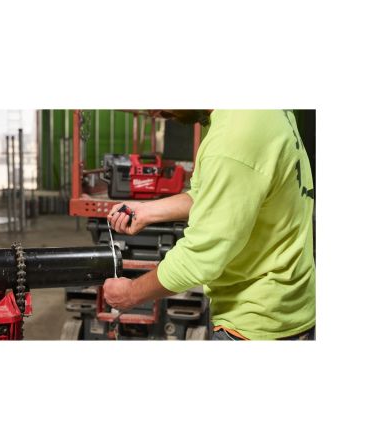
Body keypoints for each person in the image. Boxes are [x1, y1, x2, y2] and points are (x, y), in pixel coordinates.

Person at [103, 110, 315, 340]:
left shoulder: (232, 138)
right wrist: (146, 211)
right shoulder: (256, 112)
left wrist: (131, 293)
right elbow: (212, 193)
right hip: (292, 305)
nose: (155, 112)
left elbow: (199, 258)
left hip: (256, 321)